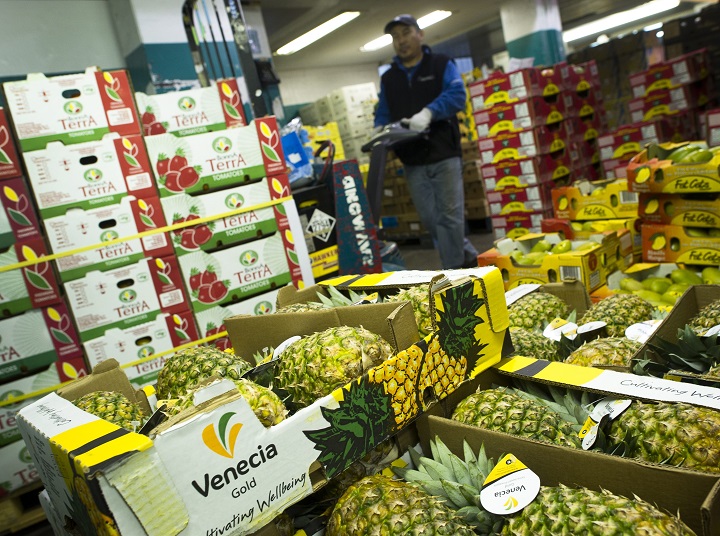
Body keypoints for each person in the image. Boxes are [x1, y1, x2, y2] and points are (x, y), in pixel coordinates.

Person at [374, 14, 478, 270]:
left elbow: (456, 95)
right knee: (432, 220)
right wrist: (379, 129)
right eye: (395, 37)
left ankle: (453, 273)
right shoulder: (390, 78)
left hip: (443, 152)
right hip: (412, 158)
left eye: (406, 33)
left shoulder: (441, 64)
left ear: (419, 34)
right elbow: (385, 109)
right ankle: (469, 255)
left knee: (450, 216)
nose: (401, 41)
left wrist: (429, 112)